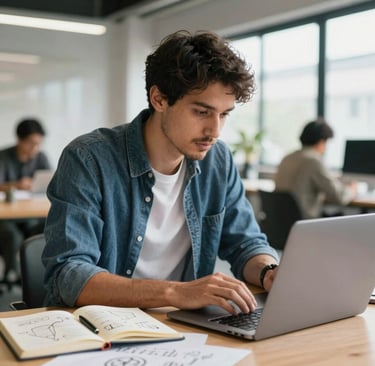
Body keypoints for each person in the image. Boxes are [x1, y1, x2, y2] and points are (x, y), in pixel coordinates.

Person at [42, 30, 279, 314]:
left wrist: (269, 272)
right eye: (202, 112)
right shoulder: (88, 159)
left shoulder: (218, 160)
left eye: (224, 114)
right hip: (103, 327)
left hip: (182, 327)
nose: (215, 131)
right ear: (159, 99)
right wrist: (174, 292)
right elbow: (69, 274)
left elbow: (245, 243)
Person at [274, 118, 357, 219]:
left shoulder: (287, 157)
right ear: (321, 142)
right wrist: (352, 189)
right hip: (304, 222)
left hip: (281, 221)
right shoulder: (313, 160)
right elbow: (339, 197)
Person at [0, 118, 50, 284]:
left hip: (31, 215)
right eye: (31, 143)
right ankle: (12, 274)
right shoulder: (3, 157)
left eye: (38, 143)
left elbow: (50, 181)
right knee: (12, 235)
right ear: (19, 140)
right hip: (6, 218)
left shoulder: (41, 157)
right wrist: (16, 185)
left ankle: (43, 275)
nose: (35, 148)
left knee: (48, 228)